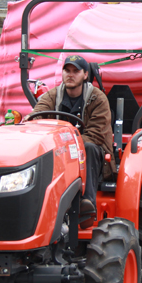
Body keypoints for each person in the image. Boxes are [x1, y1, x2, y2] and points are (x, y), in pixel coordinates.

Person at [31, 55, 113, 220]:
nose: (70, 74)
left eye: (76, 71)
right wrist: (31, 121)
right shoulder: (52, 96)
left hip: (89, 151)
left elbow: (96, 134)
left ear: (85, 75)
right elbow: (36, 116)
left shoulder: (97, 98)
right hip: (59, 150)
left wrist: (66, 148)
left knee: (88, 148)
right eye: (67, 70)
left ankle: (87, 205)